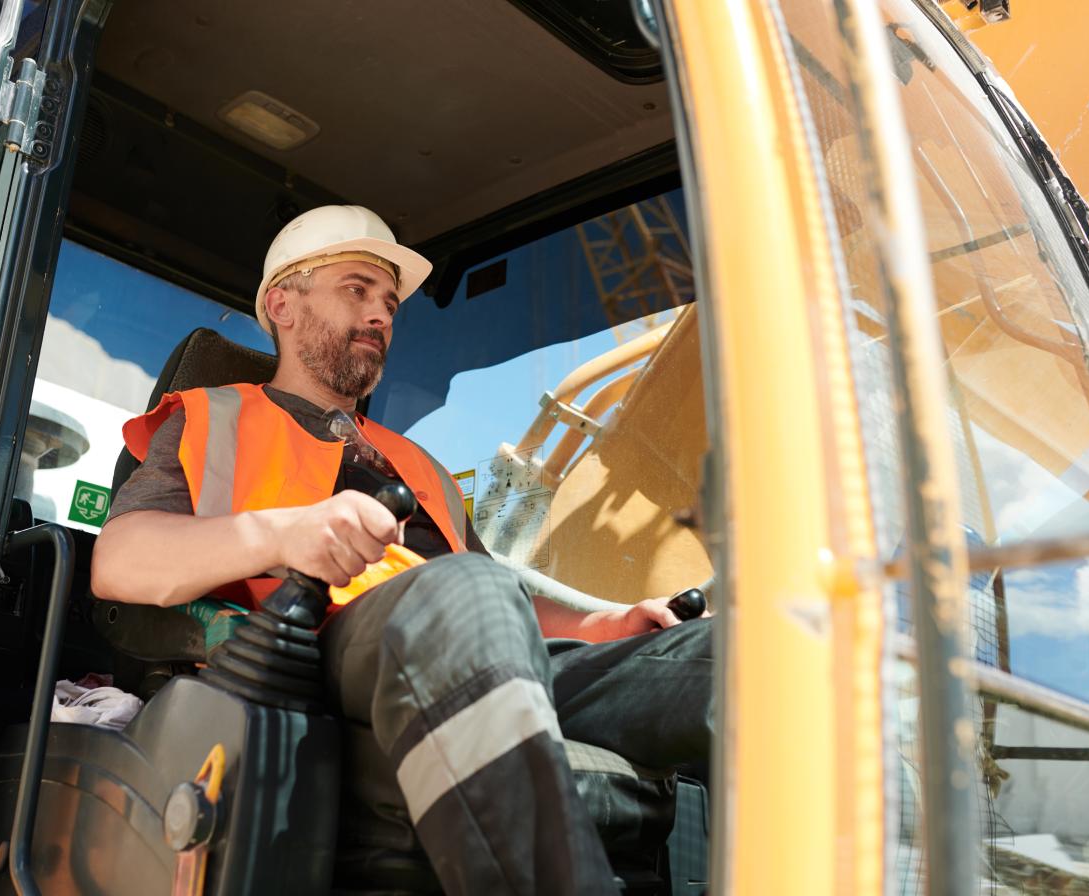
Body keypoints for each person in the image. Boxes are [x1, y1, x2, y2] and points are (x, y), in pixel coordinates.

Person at [90, 205, 713, 894]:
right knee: (462, 593)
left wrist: (603, 627)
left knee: (733, 651)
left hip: (468, 646)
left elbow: (497, 600)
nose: (382, 315)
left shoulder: (420, 466)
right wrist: (285, 533)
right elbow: (119, 561)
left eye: (389, 303)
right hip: (315, 651)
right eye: (356, 290)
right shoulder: (213, 418)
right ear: (282, 303)